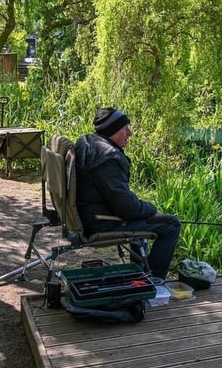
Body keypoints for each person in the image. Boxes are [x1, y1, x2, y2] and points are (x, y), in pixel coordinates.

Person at [74, 107, 181, 280]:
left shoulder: (90, 142)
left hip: (93, 213)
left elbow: (120, 199)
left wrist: (141, 206)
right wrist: (152, 209)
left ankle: (139, 273)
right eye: (125, 128)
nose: (129, 133)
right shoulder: (108, 160)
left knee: (144, 213)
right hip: (101, 222)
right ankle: (153, 281)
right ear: (113, 130)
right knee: (171, 225)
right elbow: (127, 209)